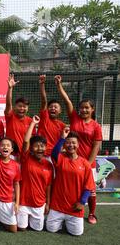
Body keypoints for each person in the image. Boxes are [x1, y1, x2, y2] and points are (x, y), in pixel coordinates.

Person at [55, 75, 102, 225]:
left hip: (88, 163)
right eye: (81, 107)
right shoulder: (74, 118)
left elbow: (96, 146)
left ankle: (92, 213)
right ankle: (62, 210)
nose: (83, 110)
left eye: (87, 108)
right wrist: (59, 85)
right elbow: (67, 101)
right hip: (70, 160)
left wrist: (88, 163)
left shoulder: (96, 126)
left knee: (90, 190)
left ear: (92, 109)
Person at [46, 127, 96, 236]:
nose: (70, 145)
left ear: (78, 145)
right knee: (50, 229)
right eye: (68, 143)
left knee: (77, 233)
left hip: (74, 208)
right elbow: (54, 153)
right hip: (57, 206)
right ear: (64, 145)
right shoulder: (61, 159)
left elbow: (89, 186)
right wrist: (62, 138)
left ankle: (67, 222)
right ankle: (61, 221)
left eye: (73, 143)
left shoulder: (85, 164)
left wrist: (82, 202)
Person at [17, 116, 53, 231]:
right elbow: (26, 141)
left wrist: (47, 203)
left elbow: (48, 186)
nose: (40, 148)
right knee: (21, 228)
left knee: (37, 229)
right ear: (31, 149)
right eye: (36, 146)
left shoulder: (48, 165)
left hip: (39, 204)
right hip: (23, 203)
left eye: (42, 146)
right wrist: (33, 123)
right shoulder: (26, 158)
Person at [37, 75, 66, 160]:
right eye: (51, 107)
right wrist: (42, 84)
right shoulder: (44, 119)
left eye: (55, 107)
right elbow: (44, 101)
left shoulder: (63, 126)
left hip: (56, 156)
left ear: (60, 111)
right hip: (42, 155)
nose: (53, 108)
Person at [4, 74, 32, 158]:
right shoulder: (10, 116)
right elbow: (8, 104)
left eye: (24, 106)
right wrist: (10, 88)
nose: (22, 108)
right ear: (15, 107)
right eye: (20, 106)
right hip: (10, 155)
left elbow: (31, 140)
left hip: (25, 155)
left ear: (27, 108)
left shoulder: (31, 121)